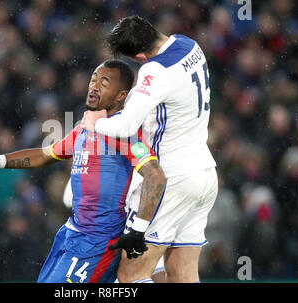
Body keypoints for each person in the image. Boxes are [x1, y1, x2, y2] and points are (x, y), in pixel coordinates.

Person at [0, 59, 166, 283]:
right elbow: (44, 155)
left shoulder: (121, 131)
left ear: (121, 96)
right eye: (93, 79)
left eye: (104, 82)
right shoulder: (83, 129)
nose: (94, 86)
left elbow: (155, 175)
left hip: (98, 241)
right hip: (72, 233)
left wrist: (137, 231)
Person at [81, 15, 218, 283]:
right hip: (204, 175)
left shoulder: (154, 70)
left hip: (171, 180)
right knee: (182, 271)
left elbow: (126, 126)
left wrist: (95, 124)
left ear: (141, 54)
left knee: (131, 273)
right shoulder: (189, 44)